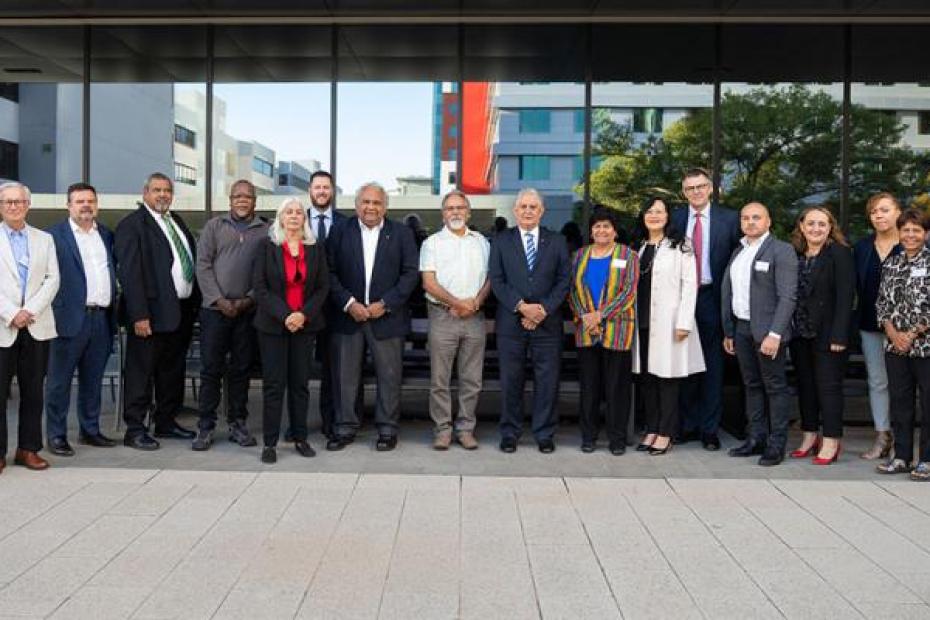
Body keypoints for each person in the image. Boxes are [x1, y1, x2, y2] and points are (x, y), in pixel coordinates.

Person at [325, 182, 418, 452]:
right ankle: (345, 428)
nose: (371, 207)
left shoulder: (401, 234)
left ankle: (387, 429)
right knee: (345, 376)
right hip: (348, 316)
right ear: (356, 205)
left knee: (389, 376)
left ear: (385, 207)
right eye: (365, 202)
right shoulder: (340, 231)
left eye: (377, 203)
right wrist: (349, 302)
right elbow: (328, 272)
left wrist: (385, 303)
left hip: (386, 318)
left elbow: (410, 273)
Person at [115, 172, 200, 450]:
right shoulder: (132, 225)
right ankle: (135, 428)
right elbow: (130, 274)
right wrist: (139, 315)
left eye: (167, 190)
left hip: (179, 311)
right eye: (157, 190)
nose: (162, 195)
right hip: (149, 315)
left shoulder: (175, 221)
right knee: (142, 372)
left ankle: (166, 422)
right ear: (145, 192)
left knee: (171, 371)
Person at [489, 188, 571, 454]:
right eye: (523, 206)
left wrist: (542, 310)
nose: (527, 211)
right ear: (515, 211)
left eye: (533, 207)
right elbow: (497, 281)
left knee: (547, 381)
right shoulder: (501, 241)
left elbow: (563, 280)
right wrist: (523, 308)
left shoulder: (557, 241)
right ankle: (510, 433)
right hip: (511, 324)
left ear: (542, 211)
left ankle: (544, 433)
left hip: (547, 324)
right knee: (511, 380)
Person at [191, 180, 268, 451]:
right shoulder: (214, 227)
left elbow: (267, 273)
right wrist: (219, 300)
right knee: (211, 370)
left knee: (241, 370)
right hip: (215, 311)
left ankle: (238, 423)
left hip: (248, 312)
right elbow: (202, 266)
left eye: (248, 196)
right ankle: (205, 426)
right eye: (237, 196)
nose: (242, 200)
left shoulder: (265, 231)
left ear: (255, 201)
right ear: (230, 200)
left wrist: (248, 299)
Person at [252, 198, 329, 464]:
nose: (294, 216)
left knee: (300, 385)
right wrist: (286, 315)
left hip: (305, 326)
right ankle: (270, 443)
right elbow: (259, 288)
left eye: (299, 212)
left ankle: (300, 437)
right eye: (289, 212)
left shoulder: (315, 248)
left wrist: (302, 315)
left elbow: (322, 287)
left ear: (304, 219)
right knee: (274, 385)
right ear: (280, 217)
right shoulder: (266, 246)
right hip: (273, 326)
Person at [45, 182, 118, 457]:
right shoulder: (53, 236)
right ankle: (56, 435)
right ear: (69, 206)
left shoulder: (107, 235)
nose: (86, 205)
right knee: (59, 382)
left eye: (90, 201)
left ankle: (89, 430)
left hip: (100, 319)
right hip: (67, 319)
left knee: (93, 379)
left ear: (96, 205)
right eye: (79, 201)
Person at [722, 202, 797, 467]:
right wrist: (729, 330)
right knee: (751, 385)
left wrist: (775, 334)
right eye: (745, 218)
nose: (750, 222)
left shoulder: (781, 250)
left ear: (768, 221)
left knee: (775, 387)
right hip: (742, 329)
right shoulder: (739, 251)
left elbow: (788, 297)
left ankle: (777, 444)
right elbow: (730, 292)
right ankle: (756, 438)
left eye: (756, 217)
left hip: (768, 332)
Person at [672, 167, 741, 450]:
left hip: (714, 297)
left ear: (711, 188)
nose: (696, 192)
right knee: (685, 363)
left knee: (713, 366)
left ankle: (710, 429)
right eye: (690, 188)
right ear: (684, 192)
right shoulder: (675, 219)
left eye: (701, 186)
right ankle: (689, 424)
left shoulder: (730, 218)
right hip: (681, 299)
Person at [631, 197, 704, 456]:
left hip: (670, 323)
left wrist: (684, 322)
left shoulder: (680, 246)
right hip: (641, 322)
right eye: (649, 211)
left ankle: (666, 432)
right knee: (648, 379)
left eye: (659, 212)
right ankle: (651, 428)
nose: (654, 216)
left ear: (668, 217)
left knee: (668, 379)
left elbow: (690, 286)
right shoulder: (637, 247)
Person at [420, 190, 490, 450]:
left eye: (460, 207)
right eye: (450, 208)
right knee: (440, 379)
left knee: (472, 379)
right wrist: (457, 304)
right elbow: (428, 281)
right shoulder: (432, 243)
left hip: (475, 315)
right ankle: (442, 430)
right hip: (443, 315)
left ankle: (465, 429)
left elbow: (490, 279)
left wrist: (476, 302)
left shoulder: (482, 242)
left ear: (468, 212)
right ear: (443, 214)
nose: (456, 212)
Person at [787, 206, 854, 466]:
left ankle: (831, 440)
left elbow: (846, 296)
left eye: (822, 224)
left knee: (829, 388)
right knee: (806, 387)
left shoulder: (839, 253)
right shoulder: (796, 254)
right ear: (802, 226)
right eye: (811, 224)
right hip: (800, 333)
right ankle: (809, 435)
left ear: (830, 228)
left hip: (829, 334)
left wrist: (839, 335)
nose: (816, 229)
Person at [568, 208, 638, 455]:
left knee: (616, 388)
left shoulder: (628, 256)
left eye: (606, 226)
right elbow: (573, 292)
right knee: (590, 388)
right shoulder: (578, 256)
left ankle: (617, 439)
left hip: (617, 331)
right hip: (586, 331)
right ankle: (588, 436)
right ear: (591, 231)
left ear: (615, 231)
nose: (601, 230)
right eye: (597, 226)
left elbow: (629, 292)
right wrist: (587, 318)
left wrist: (601, 315)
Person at [0, 182, 59, 472]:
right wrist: (12, 313)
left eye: (19, 201)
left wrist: (29, 311)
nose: (14, 206)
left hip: (36, 325)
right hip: (3, 325)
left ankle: (28, 449)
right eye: (8, 201)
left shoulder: (44, 239)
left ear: (28, 205)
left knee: (33, 391)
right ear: (1, 206)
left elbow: (53, 279)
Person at [875, 208, 930, 480]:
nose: (910, 235)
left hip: (925, 346)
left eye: (916, 230)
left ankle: (927, 461)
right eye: (905, 230)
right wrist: (892, 332)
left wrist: (911, 334)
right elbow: (882, 304)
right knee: (900, 403)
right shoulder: (891, 263)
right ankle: (902, 457)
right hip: (894, 347)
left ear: (926, 234)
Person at [853, 192, 902, 460]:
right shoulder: (862, 247)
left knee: (905, 383)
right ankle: (883, 435)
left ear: (897, 212)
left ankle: (903, 439)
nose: (879, 216)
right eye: (874, 212)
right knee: (878, 381)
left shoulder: (912, 244)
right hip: (870, 325)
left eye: (884, 210)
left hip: (907, 330)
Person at [305, 170, 348, 440]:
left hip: (334, 308)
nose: (322, 191)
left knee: (332, 370)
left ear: (332, 192)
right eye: (317, 187)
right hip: (302, 307)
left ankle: (330, 422)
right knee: (297, 369)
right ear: (310, 191)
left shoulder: (346, 224)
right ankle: (296, 423)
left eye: (326, 187)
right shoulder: (296, 219)